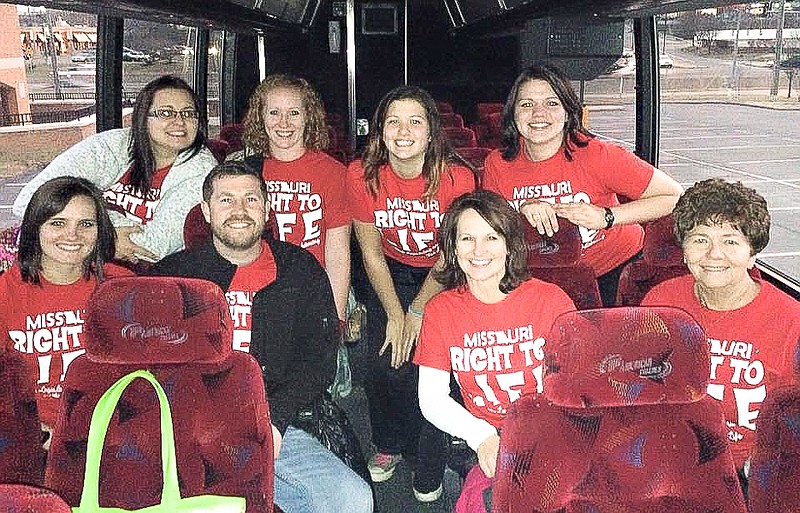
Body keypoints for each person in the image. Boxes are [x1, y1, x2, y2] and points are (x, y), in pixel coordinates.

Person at [149, 161, 373, 513]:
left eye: (251, 199)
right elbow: (151, 364)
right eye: (226, 200)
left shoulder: (299, 270)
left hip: (274, 420)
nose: (239, 211)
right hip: (188, 431)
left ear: (266, 208)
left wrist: (275, 419)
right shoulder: (172, 278)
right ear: (206, 211)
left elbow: (318, 360)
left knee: (353, 499)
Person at [346, 85, 476, 501]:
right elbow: (370, 252)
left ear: (430, 131)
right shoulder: (361, 174)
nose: (404, 132)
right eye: (393, 122)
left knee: (432, 370)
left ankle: (429, 462)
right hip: (389, 273)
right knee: (385, 364)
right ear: (380, 131)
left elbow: (451, 253)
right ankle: (388, 443)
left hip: (446, 274)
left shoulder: (457, 177)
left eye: (415, 122)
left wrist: (418, 310)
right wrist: (395, 315)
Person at [414, 190, 575, 511]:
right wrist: (481, 437)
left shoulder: (551, 300)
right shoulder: (440, 310)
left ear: (509, 245)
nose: (478, 250)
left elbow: (579, 386)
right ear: (453, 248)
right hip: (487, 433)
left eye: (491, 237)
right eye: (466, 239)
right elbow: (431, 399)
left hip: (553, 428)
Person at [642, 178, 800, 492]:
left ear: (752, 253)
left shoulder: (791, 320)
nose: (714, 254)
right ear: (683, 249)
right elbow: (639, 388)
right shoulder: (659, 302)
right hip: (669, 460)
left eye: (730, 241)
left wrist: (760, 467)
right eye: (700, 239)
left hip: (752, 471)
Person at [482, 63, 683, 306]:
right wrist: (520, 211)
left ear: (568, 112)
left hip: (614, 269)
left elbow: (675, 197)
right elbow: (489, 228)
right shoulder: (497, 164)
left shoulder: (600, 156)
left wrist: (607, 216)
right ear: (513, 114)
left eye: (552, 103)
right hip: (539, 273)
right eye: (526, 104)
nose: (538, 114)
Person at [13, 75, 218, 264]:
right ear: (143, 117)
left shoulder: (201, 170)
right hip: (79, 264)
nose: (179, 122)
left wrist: (87, 229)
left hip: (138, 278)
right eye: (166, 113)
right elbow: (28, 201)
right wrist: (108, 232)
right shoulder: (112, 145)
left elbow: (153, 247)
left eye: (189, 113)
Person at [1, 176, 133, 439]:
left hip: (111, 436)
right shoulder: (6, 292)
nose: (72, 235)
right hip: (32, 437)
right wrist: (29, 430)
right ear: (35, 229)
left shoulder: (124, 287)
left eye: (85, 224)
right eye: (58, 223)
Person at [242, 74, 350, 320]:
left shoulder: (333, 173)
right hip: (259, 290)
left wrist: (336, 318)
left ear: (307, 117)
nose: (283, 123)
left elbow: (337, 251)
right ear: (261, 116)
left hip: (312, 289)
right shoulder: (246, 171)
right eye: (273, 113)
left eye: (293, 113)